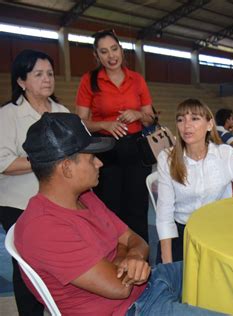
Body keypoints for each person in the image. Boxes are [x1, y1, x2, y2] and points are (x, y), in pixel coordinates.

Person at [15, 112, 221, 315]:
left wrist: (129, 255)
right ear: (67, 168)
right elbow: (119, 288)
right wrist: (125, 252)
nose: (100, 163)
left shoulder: (84, 197)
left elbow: (137, 241)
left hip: (150, 283)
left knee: (224, 273)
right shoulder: (43, 228)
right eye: (92, 158)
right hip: (130, 309)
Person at [0, 49, 70, 315]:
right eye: (38, 74)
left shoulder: (62, 111)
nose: (47, 79)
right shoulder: (8, 115)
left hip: (57, 201)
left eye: (50, 73)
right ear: (21, 82)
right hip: (18, 203)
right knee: (28, 265)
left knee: (56, 262)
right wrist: (43, 160)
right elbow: (2, 162)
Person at [156, 99, 233, 263]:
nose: (186, 125)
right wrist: (167, 265)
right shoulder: (167, 158)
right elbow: (164, 217)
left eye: (194, 118)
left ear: (209, 125)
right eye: (181, 119)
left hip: (218, 232)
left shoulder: (224, 155)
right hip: (181, 234)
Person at [76, 29, 155, 241]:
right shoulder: (89, 81)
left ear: (121, 49)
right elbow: (81, 122)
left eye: (114, 49)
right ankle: (114, 261)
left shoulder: (137, 80)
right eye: (104, 52)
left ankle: (141, 261)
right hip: (106, 150)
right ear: (96, 56)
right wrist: (105, 124)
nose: (111, 56)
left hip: (136, 149)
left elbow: (150, 118)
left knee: (138, 207)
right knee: (110, 207)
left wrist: (138, 114)